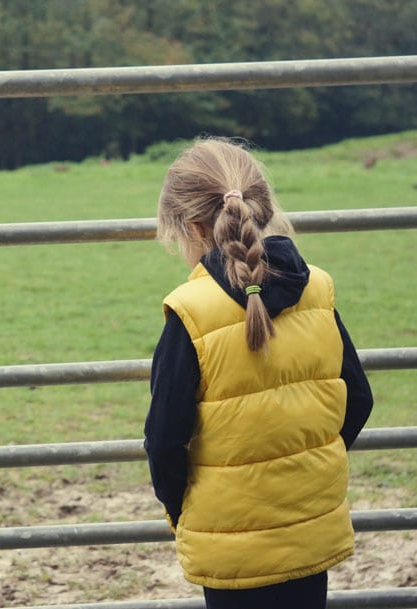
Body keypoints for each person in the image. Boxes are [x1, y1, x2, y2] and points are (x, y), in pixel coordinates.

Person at [143, 137, 373, 609]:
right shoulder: (318, 289)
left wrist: (182, 509)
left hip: (231, 542)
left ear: (190, 227)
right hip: (311, 527)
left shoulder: (190, 312)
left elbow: (165, 440)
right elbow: (360, 399)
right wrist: (304, 467)